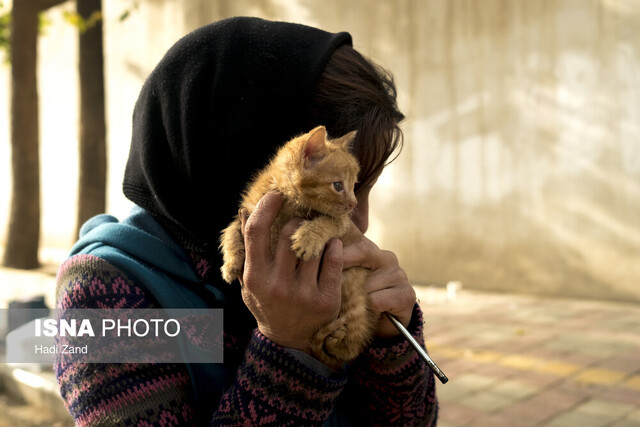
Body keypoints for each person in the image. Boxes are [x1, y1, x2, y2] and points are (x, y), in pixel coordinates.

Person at [54, 16, 439, 426]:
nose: (359, 221)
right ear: (238, 160)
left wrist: (392, 346)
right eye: (345, 191)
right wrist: (289, 348)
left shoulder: (319, 263)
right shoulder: (103, 299)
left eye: (364, 188)